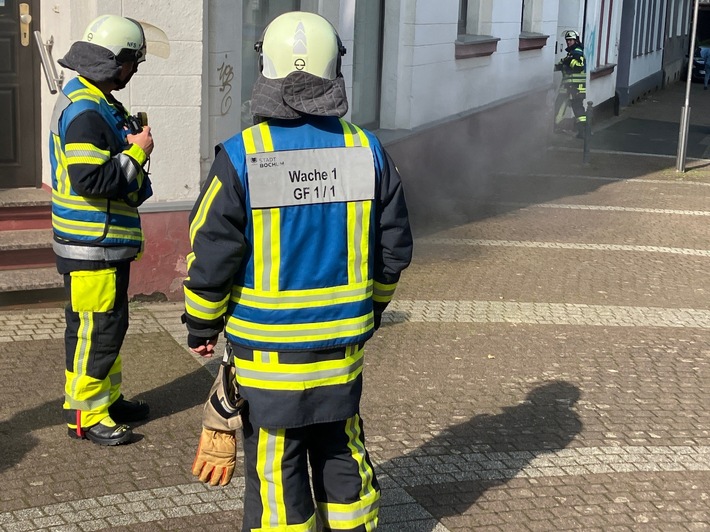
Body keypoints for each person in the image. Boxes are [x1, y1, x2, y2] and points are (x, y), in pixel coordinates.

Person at [184, 11, 413, 531]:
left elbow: (211, 255)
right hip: (341, 350)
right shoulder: (367, 150)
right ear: (336, 70)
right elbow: (395, 251)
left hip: (268, 358)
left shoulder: (243, 156)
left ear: (265, 67)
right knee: (341, 451)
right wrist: (368, 313)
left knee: (275, 470)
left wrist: (201, 326)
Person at [49, 15, 167, 446]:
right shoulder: (85, 110)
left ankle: (107, 398)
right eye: (133, 62)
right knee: (93, 331)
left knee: (108, 327)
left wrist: (130, 146)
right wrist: (137, 153)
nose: (134, 71)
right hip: (90, 244)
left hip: (101, 243)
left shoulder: (94, 99)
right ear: (115, 61)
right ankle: (85, 415)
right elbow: (90, 180)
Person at [554, 30, 587, 138]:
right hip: (570, 86)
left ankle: (583, 131)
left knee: (576, 108)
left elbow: (579, 66)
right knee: (563, 105)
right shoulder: (571, 53)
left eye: (571, 40)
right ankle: (582, 131)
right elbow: (562, 64)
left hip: (575, 87)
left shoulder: (577, 52)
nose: (568, 42)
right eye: (567, 40)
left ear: (576, 40)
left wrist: (569, 61)